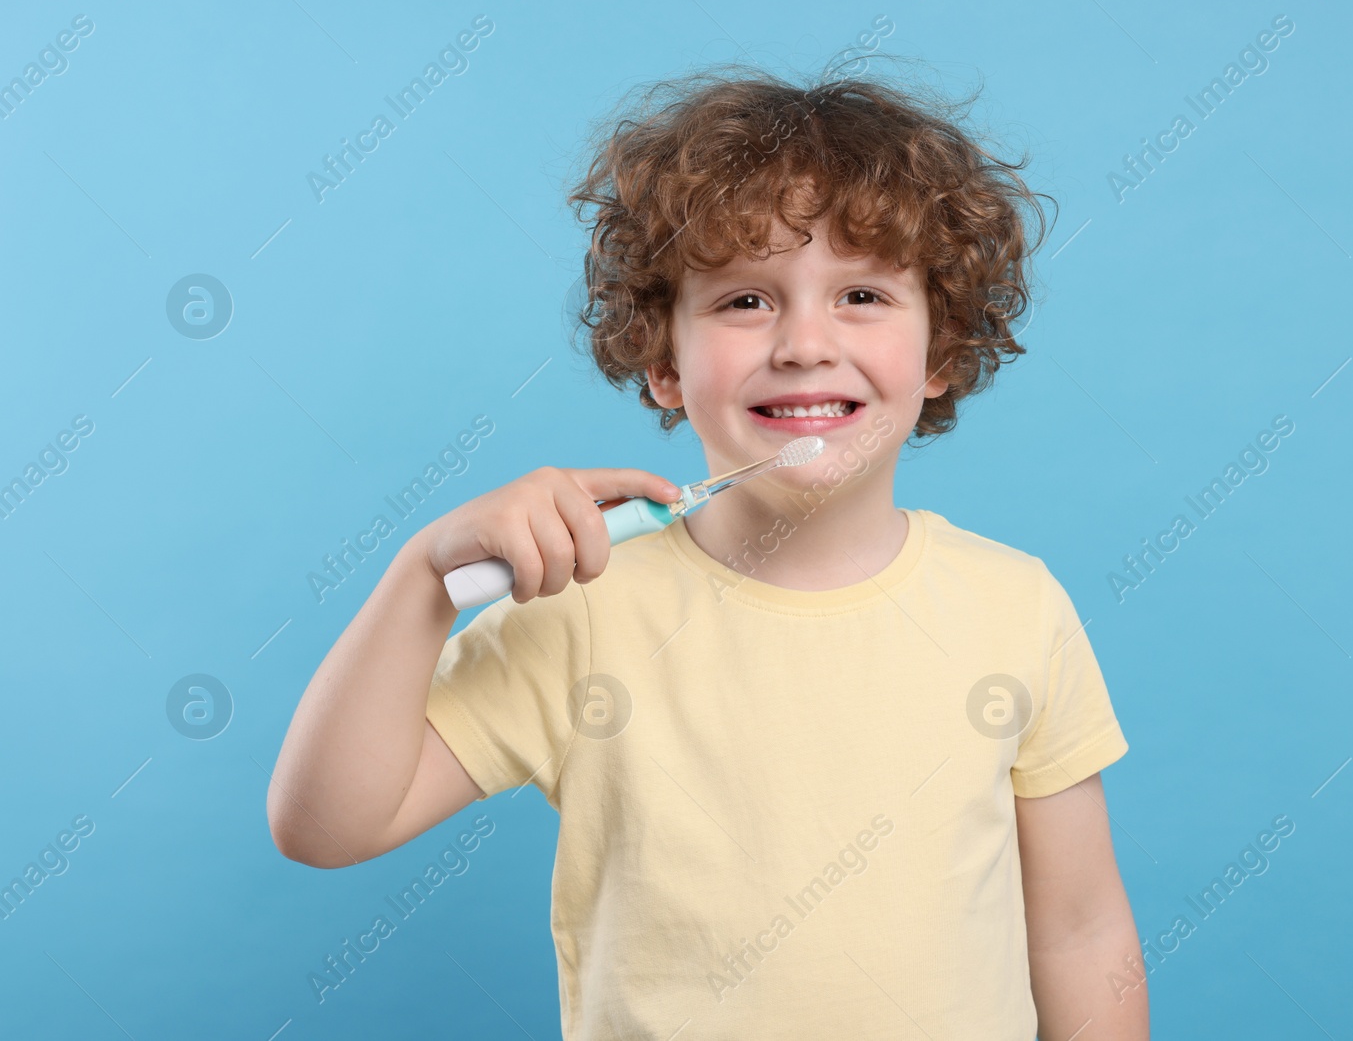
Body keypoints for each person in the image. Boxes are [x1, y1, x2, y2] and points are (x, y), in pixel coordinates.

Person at [268, 59, 1147, 1040]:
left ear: (939, 353)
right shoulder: (584, 604)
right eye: (744, 301)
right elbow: (324, 826)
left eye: (861, 295)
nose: (805, 343)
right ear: (661, 363)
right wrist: (422, 578)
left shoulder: (1014, 606)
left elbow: (1077, 928)